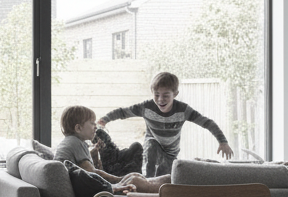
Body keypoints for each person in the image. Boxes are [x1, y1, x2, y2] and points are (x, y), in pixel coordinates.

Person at [98, 71, 234, 177]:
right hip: (153, 145)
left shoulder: (183, 110)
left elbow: (207, 122)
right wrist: (105, 119)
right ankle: (147, 181)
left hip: (170, 153)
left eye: (166, 95)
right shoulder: (146, 107)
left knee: (163, 175)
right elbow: (123, 112)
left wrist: (222, 142)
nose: (160, 99)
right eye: (156, 95)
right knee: (151, 146)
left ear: (175, 94)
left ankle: (156, 187)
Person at [54, 104, 167, 197]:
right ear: (78, 128)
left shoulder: (69, 142)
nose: (95, 127)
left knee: (136, 177)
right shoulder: (76, 143)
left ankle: (166, 189)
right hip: (90, 193)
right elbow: (93, 173)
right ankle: (168, 194)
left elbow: (87, 172)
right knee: (139, 180)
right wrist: (119, 180)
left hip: (84, 190)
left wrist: (94, 156)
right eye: (92, 123)